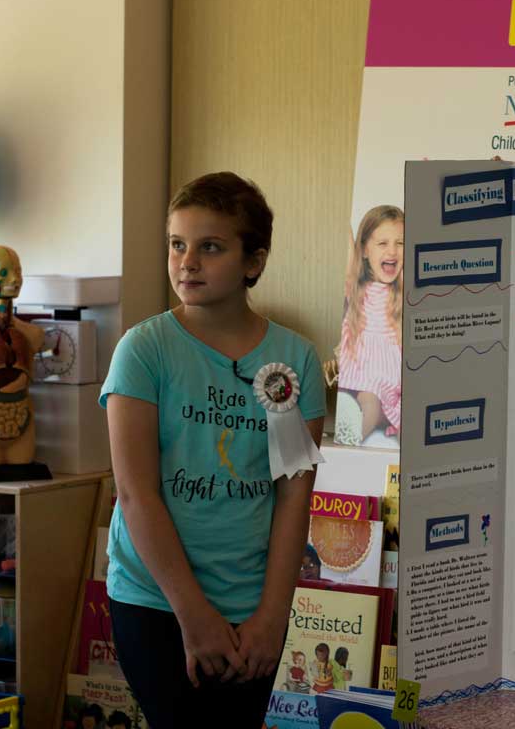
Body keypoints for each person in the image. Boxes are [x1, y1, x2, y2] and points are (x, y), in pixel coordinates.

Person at [100, 172, 324, 728]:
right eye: (177, 245)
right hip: (156, 602)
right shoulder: (144, 350)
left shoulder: (292, 360)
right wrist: (193, 617)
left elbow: (293, 497)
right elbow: (135, 493)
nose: (187, 262)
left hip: (253, 606)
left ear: (253, 261)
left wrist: (273, 616)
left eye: (210, 247)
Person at [335, 205, 404, 446]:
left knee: (371, 401)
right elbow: (342, 231)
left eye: (401, 243)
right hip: (354, 377)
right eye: (382, 243)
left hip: (384, 388)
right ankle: (345, 432)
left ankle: (351, 437)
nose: (393, 251)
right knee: (355, 398)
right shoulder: (356, 289)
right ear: (364, 249)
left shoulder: (405, 296)